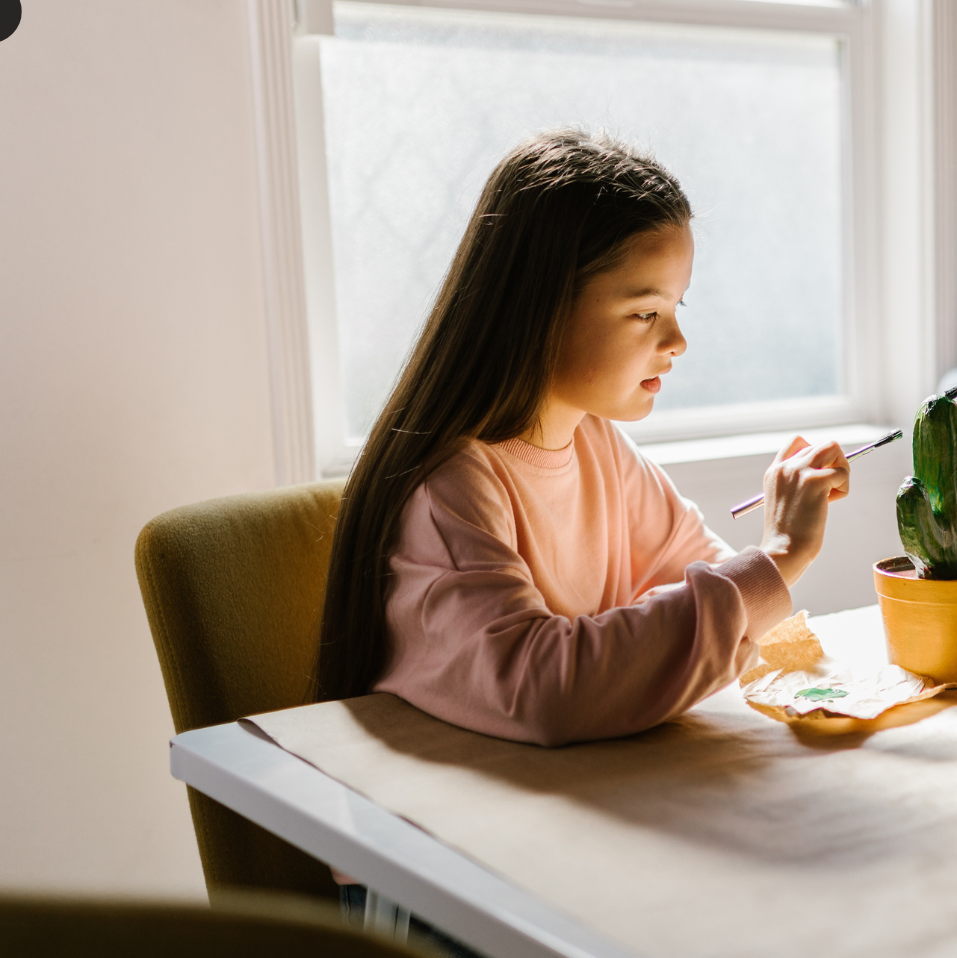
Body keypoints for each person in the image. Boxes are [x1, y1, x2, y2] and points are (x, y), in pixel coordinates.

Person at [315, 129, 851, 746]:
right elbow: (545, 689)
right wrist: (780, 553)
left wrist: (762, 572)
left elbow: (705, 586)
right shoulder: (453, 488)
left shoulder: (596, 443)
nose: (677, 341)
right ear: (539, 310)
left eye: (678, 307)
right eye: (646, 313)